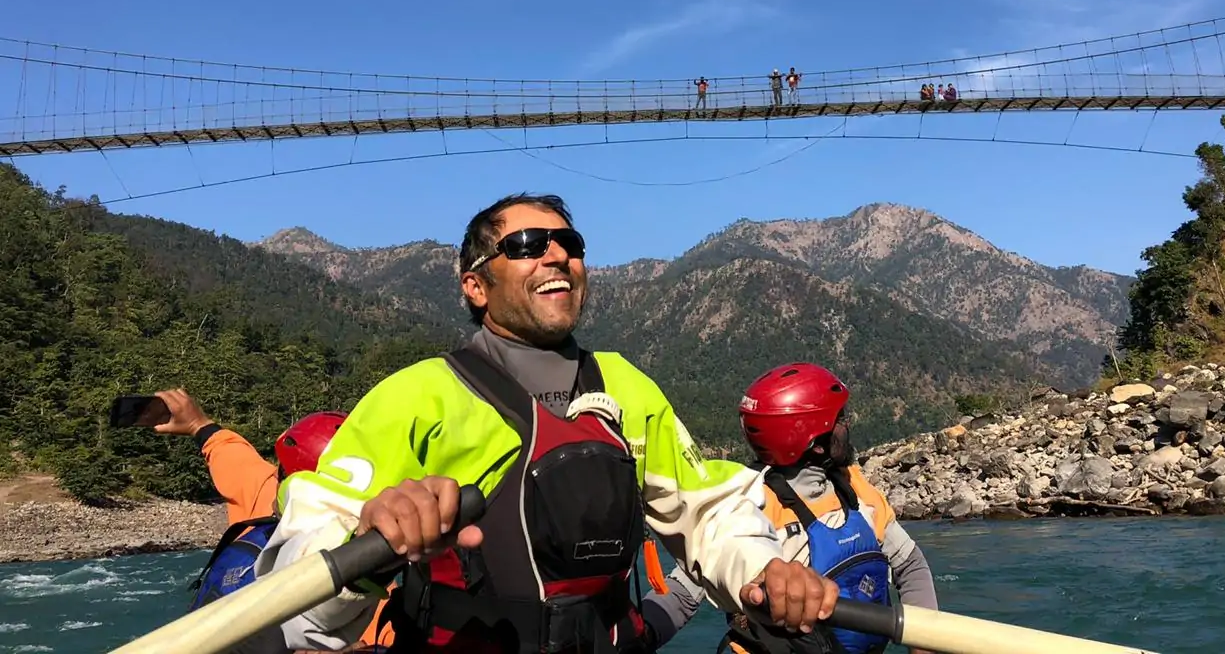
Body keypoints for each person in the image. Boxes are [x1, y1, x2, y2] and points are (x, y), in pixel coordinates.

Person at [256, 193, 838, 653]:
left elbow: (707, 512)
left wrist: (764, 569)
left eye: (569, 242)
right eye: (529, 244)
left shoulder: (626, 385)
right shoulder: (415, 396)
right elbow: (300, 603)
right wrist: (370, 546)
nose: (557, 255)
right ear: (476, 285)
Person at [152, 391, 392, 652]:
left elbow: (232, 457)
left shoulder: (268, 496)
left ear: (286, 479)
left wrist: (197, 424)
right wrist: (198, 425)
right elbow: (231, 454)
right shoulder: (370, 583)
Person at [723, 364, 938, 654]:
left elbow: (910, 564)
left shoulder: (853, 486)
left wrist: (924, 644)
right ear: (816, 443)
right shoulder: (747, 503)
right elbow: (686, 590)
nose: (848, 424)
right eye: (840, 419)